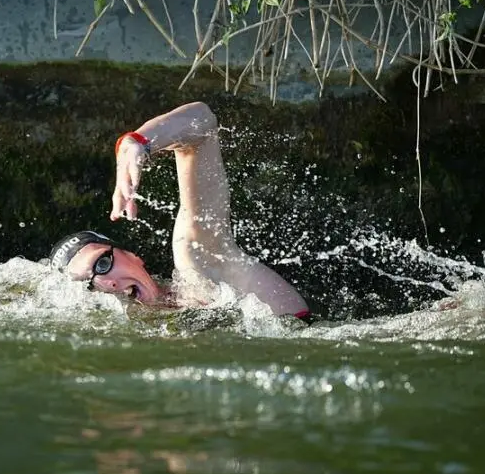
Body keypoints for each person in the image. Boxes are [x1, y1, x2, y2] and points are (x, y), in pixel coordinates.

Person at [49, 101, 309, 318]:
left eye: (103, 263)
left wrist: (136, 142)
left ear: (132, 255)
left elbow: (202, 124)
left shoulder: (202, 270)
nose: (109, 284)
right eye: (89, 287)